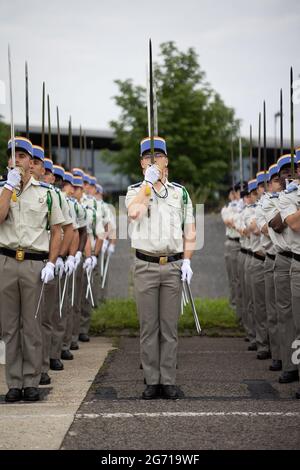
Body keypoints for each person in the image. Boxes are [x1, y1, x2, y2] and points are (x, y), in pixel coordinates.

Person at [125, 136, 196, 400]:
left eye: (158, 156)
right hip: (145, 264)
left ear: (167, 160)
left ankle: (168, 380)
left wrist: (187, 259)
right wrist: (147, 185)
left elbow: (190, 230)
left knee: (169, 327)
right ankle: (151, 379)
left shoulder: (180, 192)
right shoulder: (135, 190)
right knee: (148, 327)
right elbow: (134, 214)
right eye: (147, 157)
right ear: (141, 163)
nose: (152, 160)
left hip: (173, 265)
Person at [0, 137, 64, 402]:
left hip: (34, 263)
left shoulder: (46, 193)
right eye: (12, 156)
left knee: (32, 325)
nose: (17, 160)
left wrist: (51, 261)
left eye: (23, 156)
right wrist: (8, 188)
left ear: (31, 162)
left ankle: (31, 380)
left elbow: (58, 230)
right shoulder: (3, 189)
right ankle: (14, 382)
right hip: (6, 261)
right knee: (10, 327)